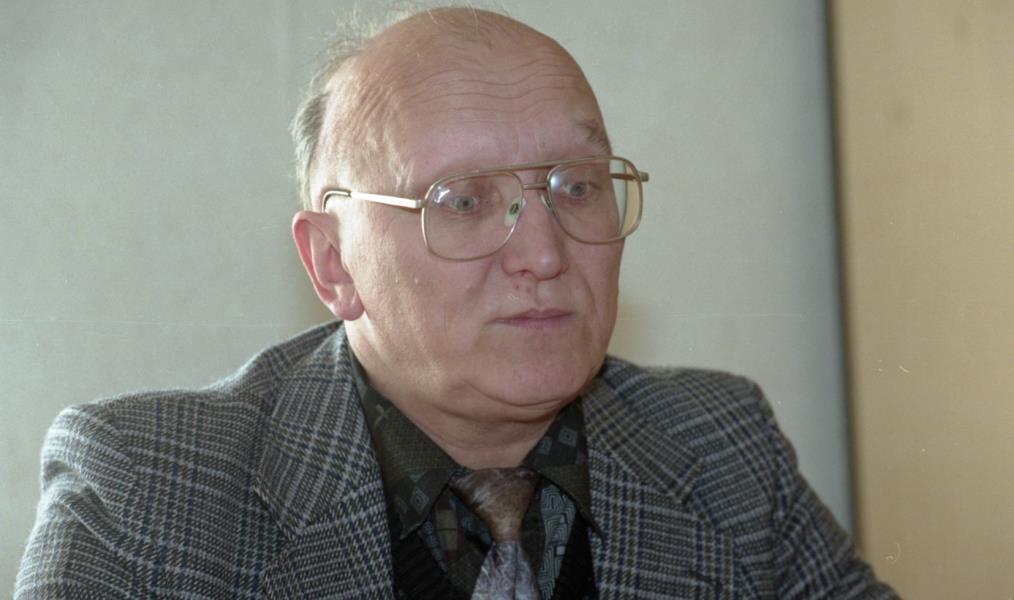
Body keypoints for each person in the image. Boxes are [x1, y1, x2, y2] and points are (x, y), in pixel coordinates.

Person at [16, 7, 896, 599]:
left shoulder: (725, 448)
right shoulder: (146, 493)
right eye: (464, 200)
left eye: (577, 186)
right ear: (333, 264)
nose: (545, 252)